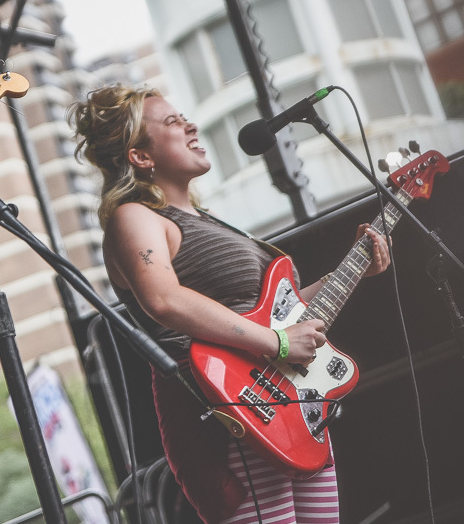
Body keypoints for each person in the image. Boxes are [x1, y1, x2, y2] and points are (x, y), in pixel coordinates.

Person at [70, 85, 391, 524]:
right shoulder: (134, 217)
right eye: (172, 122)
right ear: (140, 156)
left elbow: (280, 314)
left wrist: (350, 272)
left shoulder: (208, 222)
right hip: (228, 409)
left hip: (288, 406)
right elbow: (163, 299)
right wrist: (277, 343)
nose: (190, 125)